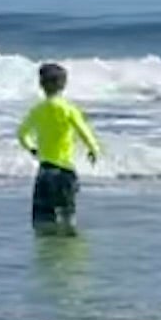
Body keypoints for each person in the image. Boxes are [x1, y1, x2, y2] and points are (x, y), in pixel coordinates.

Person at [17, 62, 99, 233]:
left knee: (42, 217)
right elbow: (84, 131)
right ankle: (66, 251)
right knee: (67, 214)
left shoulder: (37, 110)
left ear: (41, 85)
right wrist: (93, 149)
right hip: (64, 170)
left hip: (44, 171)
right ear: (64, 84)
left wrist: (32, 149)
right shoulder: (68, 109)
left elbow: (21, 134)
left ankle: (46, 252)